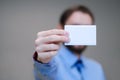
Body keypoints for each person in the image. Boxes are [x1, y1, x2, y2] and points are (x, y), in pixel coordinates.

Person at [33, 5, 105, 80]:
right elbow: (44, 73)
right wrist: (43, 61)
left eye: (87, 28)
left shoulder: (97, 68)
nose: (81, 33)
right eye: (75, 26)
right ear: (60, 28)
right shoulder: (52, 63)